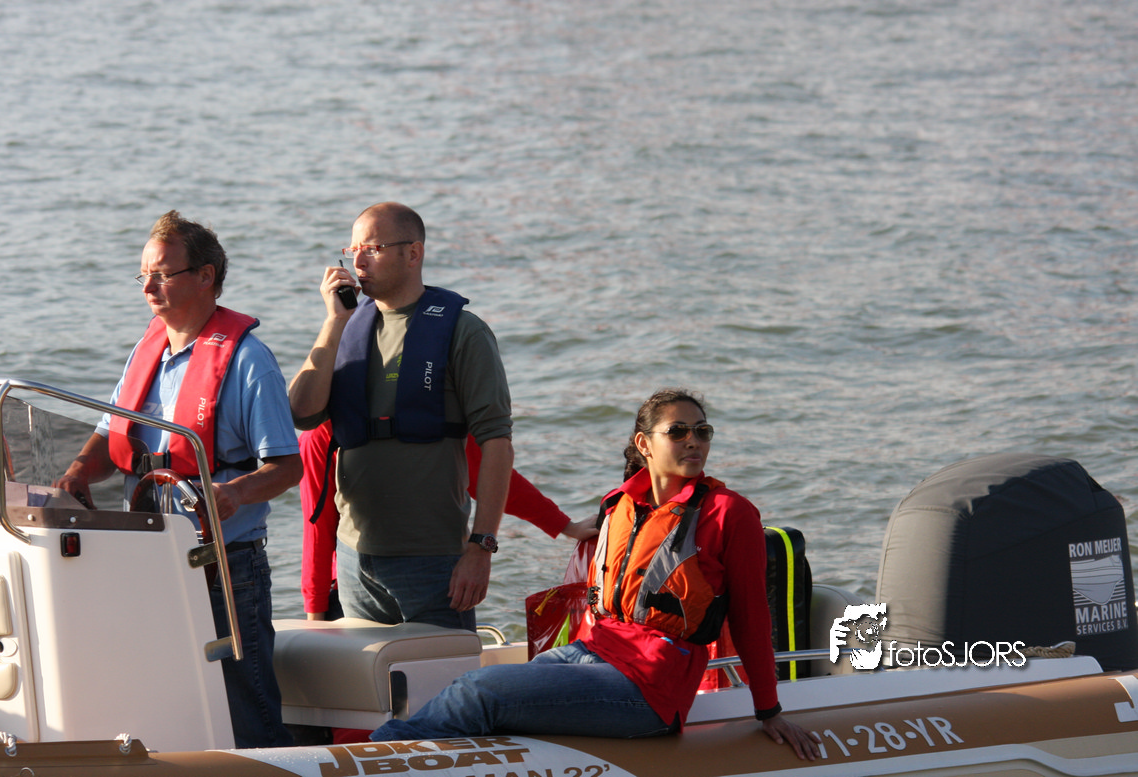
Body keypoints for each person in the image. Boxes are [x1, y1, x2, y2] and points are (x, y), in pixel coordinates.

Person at [368, 389, 822, 760]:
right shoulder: (619, 505)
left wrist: (768, 709)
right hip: (590, 653)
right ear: (644, 444)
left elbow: (751, 617)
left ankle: (368, 759)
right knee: (473, 694)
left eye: (702, 431)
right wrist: (565, 526)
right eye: (678, 431)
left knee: (479, 691)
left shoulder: (729, 513)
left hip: (649, 687)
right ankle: (386, 757)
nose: (694, 441)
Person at [54, 210, 302, 749]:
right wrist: (77, 471)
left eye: (162, 274)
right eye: (143, 275)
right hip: (148, 560)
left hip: (226, 568)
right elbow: (110, 434)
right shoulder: (146, 352)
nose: (148, 287)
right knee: (164, 701)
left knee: (249, 709)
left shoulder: (249, 361)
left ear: (206, 276)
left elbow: (288, 467)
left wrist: (233, 493)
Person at [289, 201, 513, 631]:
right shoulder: (346, 327)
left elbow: (497, 444)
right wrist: (333, 323)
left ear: (413, 253)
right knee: (367, 677)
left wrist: (480, 548)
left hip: (433, 561)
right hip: (354, 559)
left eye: (372, 248)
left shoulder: (464, 332)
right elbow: (302, 413)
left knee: (441, 675)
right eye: (352, 250)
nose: (357, 262)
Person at [299, 420, 596, 619]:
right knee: (443, 680)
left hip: (357, 582)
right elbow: (485, 470)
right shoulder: (424, 406)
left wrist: (562, 525)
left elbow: (317, 528)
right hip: (402, 577)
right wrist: (316, 615)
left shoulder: (321, 431)